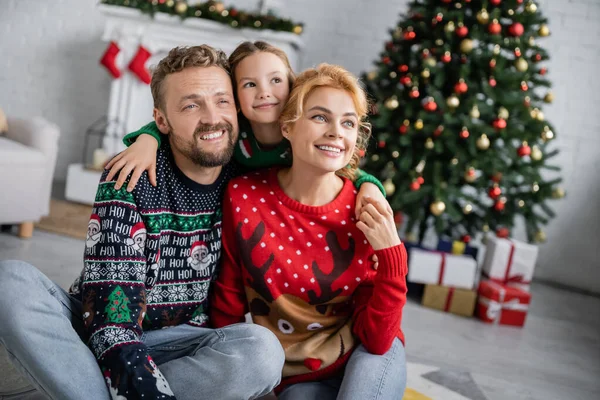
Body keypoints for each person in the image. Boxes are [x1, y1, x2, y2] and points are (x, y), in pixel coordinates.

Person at [0, 45, 285, 400]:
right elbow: (111, 320)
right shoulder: (131, 175)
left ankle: (87, 385)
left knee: (263, 350)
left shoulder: (246, 179)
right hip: (97, 326)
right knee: (10, 281)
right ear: (161, 121)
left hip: (181, 342)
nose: (213, 117)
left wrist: (367, 188)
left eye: (223, 101)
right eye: (191, 105)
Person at [211, 63, 408, 399]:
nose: (336, 132)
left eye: (348, 122)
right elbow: (228, 297)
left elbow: (377, 339)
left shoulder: (365, 209)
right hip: (295, 374)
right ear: (287, 126)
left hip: (366, 351)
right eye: (320, 117)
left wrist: (392, 256)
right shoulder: (243, 196)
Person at [104, 41, 387, 223]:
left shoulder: (304, 137)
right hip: (245, 207)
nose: (265, 92)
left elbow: (345, 169)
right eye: (250, 84)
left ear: (292, 87)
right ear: (235, 99)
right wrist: (147, 139)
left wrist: (371, 186)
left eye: (276, 80)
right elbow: (185, 124)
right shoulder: (234, 134)